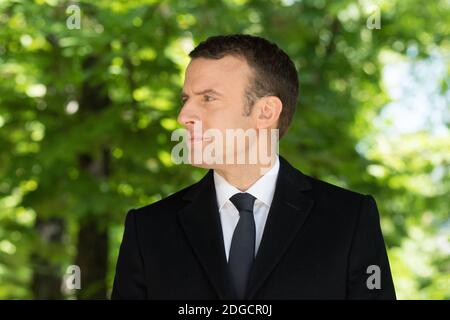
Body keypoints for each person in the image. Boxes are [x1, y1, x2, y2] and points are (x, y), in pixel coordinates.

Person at [111, 34, 396, 300]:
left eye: (208, 98)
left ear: (266, 112)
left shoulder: (349, 220)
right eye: (186, 99)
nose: (184, 115)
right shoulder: (148, 230)